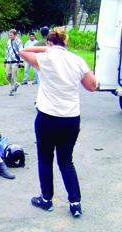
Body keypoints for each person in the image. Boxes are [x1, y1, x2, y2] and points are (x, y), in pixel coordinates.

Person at [20, 27, 96, 217]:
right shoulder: (77, 60)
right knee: (66, 161)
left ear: (49, 43)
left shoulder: (46, 58)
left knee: (45, 159)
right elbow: (92, 86)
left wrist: (46, 50)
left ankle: (46, 199)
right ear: (65, 43)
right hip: (71, 118)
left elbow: (23, 51)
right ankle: (75, 203)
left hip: (47, 117)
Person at [4, 29, 24, 96]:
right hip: (8, 61)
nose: (10, 36)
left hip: (15, 61)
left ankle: (12, 89)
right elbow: (7, 51)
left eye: (11, 35)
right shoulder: (8, 41)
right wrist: (5, 60)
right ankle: (16, 84)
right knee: (7, 75)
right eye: (9, 35)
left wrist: (21, 61)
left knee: (13, 76)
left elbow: (21, 51)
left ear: (15, 35)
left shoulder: (18, 41)